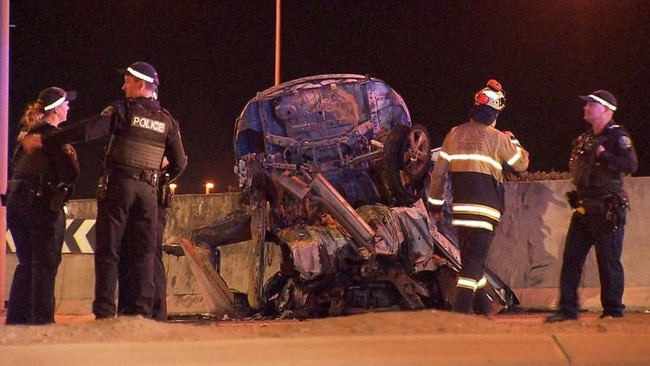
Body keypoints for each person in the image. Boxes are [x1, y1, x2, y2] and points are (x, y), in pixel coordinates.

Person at [23, 61, 187, 319]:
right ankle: (140, 314)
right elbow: (180, 162)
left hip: (119, 187)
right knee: (144, 254)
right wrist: (158, 178)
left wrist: (47, 138)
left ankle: (105, 312)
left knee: (109, 249)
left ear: (141, 85)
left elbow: (88, 130)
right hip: (148, 193)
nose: (124, 86)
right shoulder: (167, 120)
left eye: (128, 81)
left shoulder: (122, 110)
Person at [428, 79, 529, 314]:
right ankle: (460, 313)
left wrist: (435, 204)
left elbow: (439, 174)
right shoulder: (498, 138)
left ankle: (484, 307)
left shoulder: (454, 134)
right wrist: (513, 139)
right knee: (472, 264)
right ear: (494, 112)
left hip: (461, 210)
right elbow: (521, 164)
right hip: (486, 210)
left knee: (472, 262)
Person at [546, 90, 638, 323]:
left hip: (607, 210)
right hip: (585, 209)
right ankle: (567, 311)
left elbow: (630, 164)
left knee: (608, 262)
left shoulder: (617, 137)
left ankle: (613, 312)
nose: (586, 107)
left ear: (606, 110)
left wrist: (605, 155)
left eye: (592, 104)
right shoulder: (586, 138)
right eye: (587, 104)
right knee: (571, 260)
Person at [5, 87, 80, 324]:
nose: (68, 107)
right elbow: (71, 174)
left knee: (26, 265)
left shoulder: (24, 136)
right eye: (65, 103)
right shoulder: (53, 137)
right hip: (42, 206)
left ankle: (17, 321)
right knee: (44, 266)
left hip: (17, 204)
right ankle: (41, 323)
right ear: (57, 109)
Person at [118, 160, 176, 321]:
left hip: (149, 195)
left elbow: (178, 162)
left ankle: (154, 314)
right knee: (131, 254)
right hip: (137, 195)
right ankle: (136, 313)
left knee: (149, 254)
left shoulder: (162, 135)